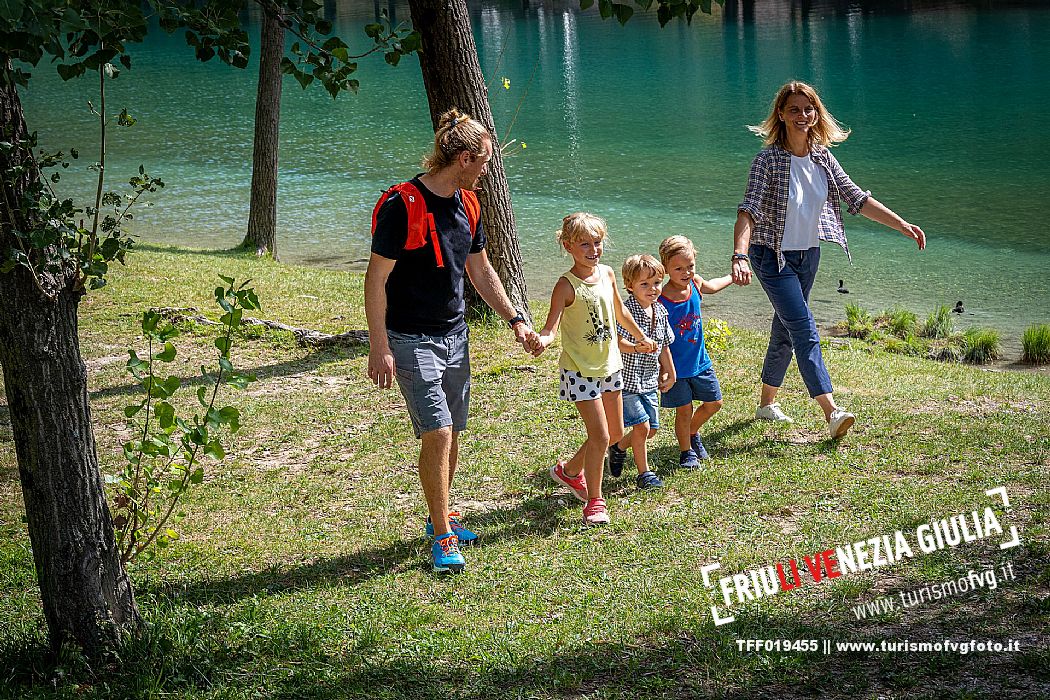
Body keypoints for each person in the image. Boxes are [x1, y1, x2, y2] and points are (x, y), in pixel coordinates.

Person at [365, 108, 537, 574]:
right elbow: (375, 279)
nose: (486, 171)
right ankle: (442, 536)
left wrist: (516, 320)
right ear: (462, 157)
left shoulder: (469, 205)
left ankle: (441, 515)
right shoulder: (402, 205)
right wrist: (379, 345)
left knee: (453, 432)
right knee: (437, 431)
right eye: (483, 162)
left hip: (455, 335)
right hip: (409, 337)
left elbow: (480, 271)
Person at [731, 80, 926, 438]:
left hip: (808, 255)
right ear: (781, 114)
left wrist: (900, 224)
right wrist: (739, 255)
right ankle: (832, 411)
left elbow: (856, 198)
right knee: (804, 328)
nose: (802, 115)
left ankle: (766, 404)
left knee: (786, 327)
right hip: (769, 255)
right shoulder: (767, 160)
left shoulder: (822, 156)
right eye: (794, 109)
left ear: (816, 113)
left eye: (808, 109)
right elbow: (748, 211)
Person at [533, 213, 656, 525]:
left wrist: (641, 337)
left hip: (610, 366)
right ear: (567, 246)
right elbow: (551, 327)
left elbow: (620, 311)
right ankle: (595, 501)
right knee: (600, 436)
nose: (593, 249)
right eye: (584, 244)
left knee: (615, 433)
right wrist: (542, 340)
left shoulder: (608, 274)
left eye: (597, 242)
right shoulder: (565, 285)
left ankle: (570, 471)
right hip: (579, 372)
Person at [658, 235, 733, 468]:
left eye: (690, 266)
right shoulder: (659, 298)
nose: (686, 272)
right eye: (678, 268)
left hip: (700, 362)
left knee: (714, 403)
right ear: (665, 268)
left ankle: (691, 433)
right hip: (675, 368)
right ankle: (686, 452)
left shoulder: (695, 284)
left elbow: (713, 286)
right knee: (684, 409)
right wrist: (663, 370)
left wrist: (733, 276)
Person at [606, 254, 676, 490]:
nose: (652, 289)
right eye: (644, 284)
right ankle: (644, 474)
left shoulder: (660, 311)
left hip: (648, 380)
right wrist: (636, 346)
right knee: (642, 426)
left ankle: (619, 448)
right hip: (626, 380)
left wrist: (670, 371)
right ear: (629, 285)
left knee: (652, 430)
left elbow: (664, 344)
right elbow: (616, 341)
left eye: (656, 283)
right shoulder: (626, 311)